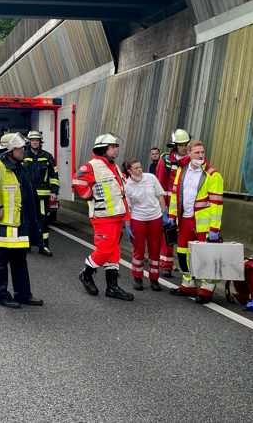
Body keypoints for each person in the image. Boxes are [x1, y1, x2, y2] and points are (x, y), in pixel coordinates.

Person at [0, 132, 43, 309]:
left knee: (21, 262)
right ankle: (2, 296)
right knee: (1, 264)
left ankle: (23, 294)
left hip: (18, 226)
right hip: (1, 229)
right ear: (9, 151)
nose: (23, 150)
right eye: (19, 148)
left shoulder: (22, 167)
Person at [74, 134, 134, 301]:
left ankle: (112, 287)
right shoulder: (93, 166)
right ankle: (87, 273)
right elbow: (77, 180)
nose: (115, 150)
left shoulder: (112, 166)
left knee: (113, 251)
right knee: (104, 249)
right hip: (102, 215)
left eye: (115, 147)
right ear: (103, 149)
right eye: (112, 147)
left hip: (116, 215)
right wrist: (89, 196)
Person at [166, 140, 223, 304]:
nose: (200, 155)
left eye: (202, 152)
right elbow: (175, 195)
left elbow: (217, 204)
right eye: (197, 152)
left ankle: (207, 290)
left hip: (203, 225)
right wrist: (172, 215)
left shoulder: (213, 175)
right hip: (184, 221)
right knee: (183, 255)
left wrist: (215, 228)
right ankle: (188, 285)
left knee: (205, 257)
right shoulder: (182, 172)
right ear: (189, 154)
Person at [121, 158, 166, 292]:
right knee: (138, 249)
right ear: (129, 171)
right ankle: (137, 277)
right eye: (136, 168)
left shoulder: (151, 178)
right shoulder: (127, 185)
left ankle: (154, 278)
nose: (140, 170)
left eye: (140, 167)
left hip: (155, 217)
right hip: (138, 219)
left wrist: (164, 213)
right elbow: (127, 208)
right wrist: (128, 225)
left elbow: (160, 196)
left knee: (155, 249)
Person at [155, 129, 192, 278]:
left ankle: (188, 268)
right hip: (171, 205)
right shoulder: (166, 161)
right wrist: (163, 209)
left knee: (187, 237)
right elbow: (159, 186)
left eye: (186, 144)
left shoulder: (193, 160)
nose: (184, 148)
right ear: (175, 146)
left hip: (188, 206)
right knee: (169, 237)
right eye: (181, 145)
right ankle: (166, 266)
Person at [22, 130, 59, 257]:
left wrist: (54, 191)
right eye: (32, 140)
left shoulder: (48, 157)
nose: (35, 142)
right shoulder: (23, 155)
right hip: (26, 194)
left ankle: (44, 246)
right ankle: (26, 244)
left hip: (42, 195)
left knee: (42, 220)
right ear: (29, 142)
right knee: (25, 220)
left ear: (40, 142)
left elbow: (54, 176)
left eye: (37, 140)